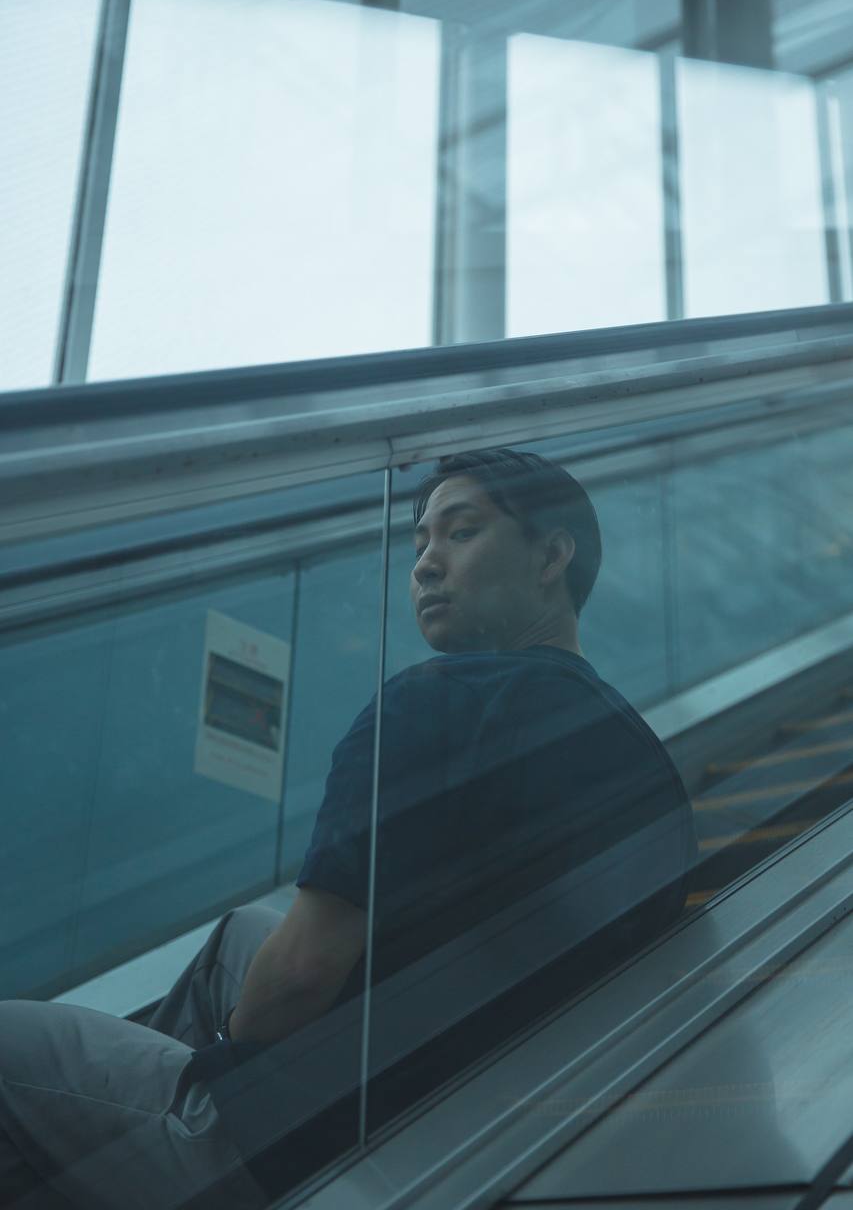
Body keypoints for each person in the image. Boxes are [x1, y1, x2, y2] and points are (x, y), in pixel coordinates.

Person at [0, 448, 696, 1210]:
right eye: (420, 542)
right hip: (487, 1121)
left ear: (552, 556)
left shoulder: (432, 703)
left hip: (325, 1146)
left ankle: (162, 1133)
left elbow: (300, 978)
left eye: (461, 532)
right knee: (238, 937)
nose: (425, 564)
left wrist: (239, 1060)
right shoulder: (644, 763)